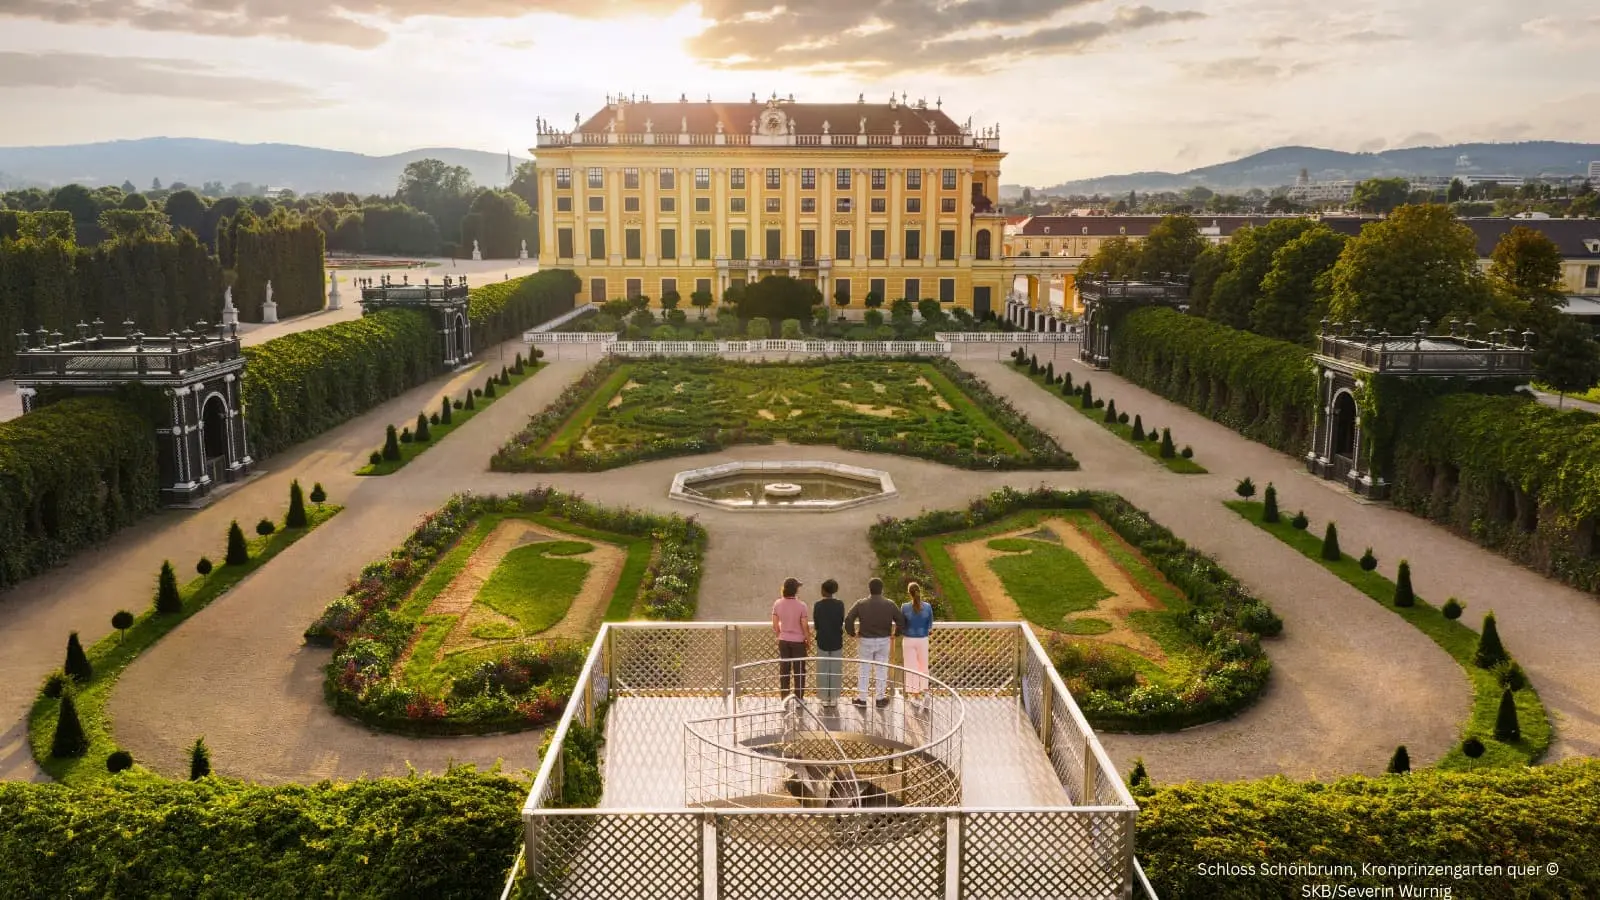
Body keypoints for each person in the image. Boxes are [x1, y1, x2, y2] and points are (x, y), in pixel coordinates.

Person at [844, 577, 904, 708]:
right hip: (884, 640)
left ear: (869, 589)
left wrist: (853, 633)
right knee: (881, 670)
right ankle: (880, 699)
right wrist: (896, 634)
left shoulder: (861, 604)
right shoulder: (890, 604)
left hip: (865, 641)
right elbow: (901, 620)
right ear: (881, 589)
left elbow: (848, 619)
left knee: (864, 670)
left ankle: (862, 699)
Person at [771, 576, 811, 700]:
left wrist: (779, 634)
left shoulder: (777, 603)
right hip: (798, 642)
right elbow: (804, 625)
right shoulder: (801, 605)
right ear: (795, 590)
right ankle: (799, 697)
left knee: (785, 669)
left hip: (783, 640)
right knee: (799, 670)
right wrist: (808, 639)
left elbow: (775, 624)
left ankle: (784, 696)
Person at [812, 579, 845, 707]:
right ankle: (834, 697)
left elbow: (816, 624)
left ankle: (824, 698)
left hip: (822, 640)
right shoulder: (840, 604)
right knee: (835, 669)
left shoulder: (818, 605)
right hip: (837, 640)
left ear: (824, 590)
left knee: (822, 669)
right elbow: (841, 620)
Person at [900, 582, 934, 703]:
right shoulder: (928, 607)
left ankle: (914, 696)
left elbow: (901, 625)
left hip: (909, 640)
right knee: (923, 666)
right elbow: (930, 627)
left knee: (911, 668)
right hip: (923, 640)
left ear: (909, 593)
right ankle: (925, 692)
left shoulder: (904, 607)